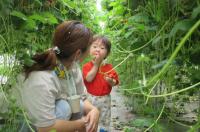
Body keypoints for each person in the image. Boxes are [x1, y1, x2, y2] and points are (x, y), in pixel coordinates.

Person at [14, 20, 100, 132]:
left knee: (75, 104)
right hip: (21, 123)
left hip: (40, 119)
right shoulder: (42, 79)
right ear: (78, 53)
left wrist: (94, 110)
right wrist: (79, 124)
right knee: (64, 107)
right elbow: (45, 128)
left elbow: (81, 98)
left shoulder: (71, 67)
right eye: (91, 47)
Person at [82, 36, 119, 132]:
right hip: (90, 99)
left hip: (104, 100)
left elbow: (115, 82)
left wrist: (111, 81)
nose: (98, 49)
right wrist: (96, 65)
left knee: (104, 121)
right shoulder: (87, 66)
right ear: (89, 49)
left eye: (102, 48)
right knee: (90, 120)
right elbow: (89, 79)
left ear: (107, 53)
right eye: (94, 46)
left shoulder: (109, 67)